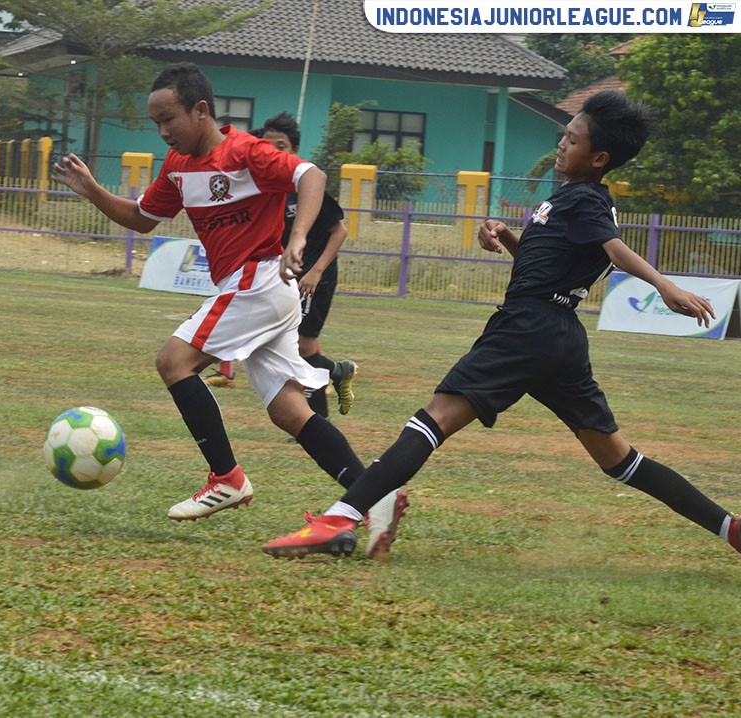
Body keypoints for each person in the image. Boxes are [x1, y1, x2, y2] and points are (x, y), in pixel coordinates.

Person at [262, 90, 740, 560]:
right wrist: (508, 235)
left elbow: (614, 249)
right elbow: (548, 266)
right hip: (556, 334)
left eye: (573, 141)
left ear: (599, 158)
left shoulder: (589, 201)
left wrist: (664, 286)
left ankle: (339, 520)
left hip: (528, 327)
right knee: (619, 459)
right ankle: (730, 528)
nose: (562, 144)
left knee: (433, 419)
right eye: (565, 135)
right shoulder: (573, 198)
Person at [53, 63, 404, 545]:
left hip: (258, 280)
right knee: (289, 412)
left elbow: (313, 176)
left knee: (173, 361)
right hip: (258, 290)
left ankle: (227, 479)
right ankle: (374, 498)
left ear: (201, 110)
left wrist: (297, 237)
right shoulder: (177, 166)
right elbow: (142, 218)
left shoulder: (246, 151)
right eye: (155, 122)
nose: (162, 132)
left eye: (168, 119)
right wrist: (93, 190)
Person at [254, 112, 358, 418]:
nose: (273, 152)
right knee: (293, 346)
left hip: (315, 276)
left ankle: (321, 408)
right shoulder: (265, 189)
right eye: (266, 146)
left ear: (294, 150)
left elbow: (339, 230)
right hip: (288, 276)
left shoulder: (307, 186)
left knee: (302, 344)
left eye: (281, 146)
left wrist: (316, 271)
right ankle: (335, 378)